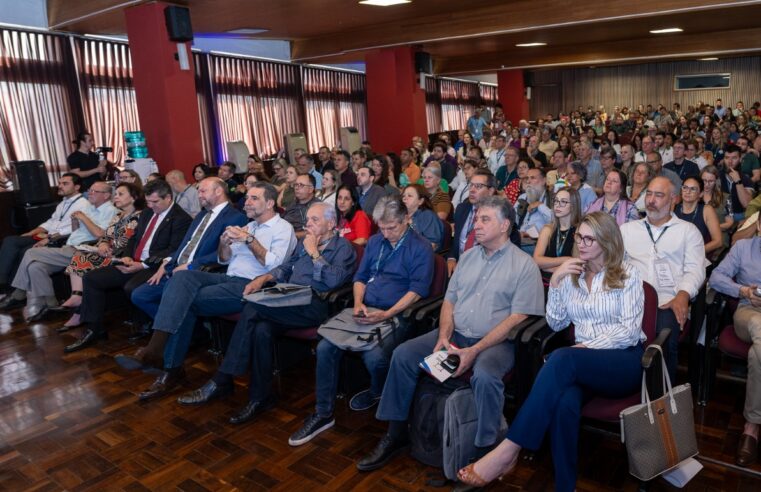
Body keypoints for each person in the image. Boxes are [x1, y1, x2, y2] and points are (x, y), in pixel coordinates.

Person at [458, 212, 645, 491]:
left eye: (589, 238)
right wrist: (556, 283)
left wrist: (586, 346)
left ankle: (508, 450)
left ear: (607, 242)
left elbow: (629, 331)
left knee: (562, 357)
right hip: (581, 363)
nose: (581, 243)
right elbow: (557, 322)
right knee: (564, 403)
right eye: (579, 236)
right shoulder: (573, 274)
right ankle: (564, 485)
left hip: (623, 362)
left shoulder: (628, 273)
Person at [357, 196, 545, 472]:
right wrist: (444, 336)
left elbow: (517, 318)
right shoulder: (468, 257)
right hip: (455, 334)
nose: (476, 225)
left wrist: (475, 350)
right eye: (476, 218)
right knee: (403, 355)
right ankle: (395, 433)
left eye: (485, 219)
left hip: (495, 343)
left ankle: (485, 451)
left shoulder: (524, 265)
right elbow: (449, 301)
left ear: (505, 225)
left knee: (485, 375)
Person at [176, 203, 356, 423]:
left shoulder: (343, 247)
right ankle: (260, 397)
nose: (308, 224)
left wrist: (314, 253)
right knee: (261, 329)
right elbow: (285, 268)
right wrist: (262, 279)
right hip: (289, 297)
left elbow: (333, 281)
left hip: (315, 304)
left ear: (331, 223)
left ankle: (223, 378)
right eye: (307, 219)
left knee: (252, 307)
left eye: (315, 220)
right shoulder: (304, 242)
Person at [117, 182, 297, 401]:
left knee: (183, 302)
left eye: (254, 198)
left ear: (270, 203)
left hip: (254, 285)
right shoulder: (249, 226)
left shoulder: (282, 228)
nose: (246, 202)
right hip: (227, 277)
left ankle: (166, 364)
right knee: (181, 277)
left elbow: (274, 265)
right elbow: (224, 259)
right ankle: (159, 353)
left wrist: (249, 240)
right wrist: (224, 243)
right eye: (247, 197)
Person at [288, 196, 434, 445]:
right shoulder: (376, 242)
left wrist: (387, 314)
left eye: (393, 228)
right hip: (365, 309)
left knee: (374, 357)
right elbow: (361, 276)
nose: (387, 234)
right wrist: (358, 303)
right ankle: (323, 413)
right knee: (325, 347)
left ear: (406, 220)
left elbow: (417, 291)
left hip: (396, 314)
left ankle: (378, 392)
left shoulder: (420, 248)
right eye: (383, 228)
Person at [62, 180, 192, 352]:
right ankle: (94, 329)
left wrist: (142, 265)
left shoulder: (180, 218)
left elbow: (173, 250)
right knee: (92, 278)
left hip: (153, 266)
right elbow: (133, 238)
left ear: (168, 197)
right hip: (133, 261)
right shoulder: (147, 213)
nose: (151, 205)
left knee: (131, 287)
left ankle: (150, 326)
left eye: (155, 202)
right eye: (148, 201)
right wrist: (128, 257)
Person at [129, 177, 248, 330]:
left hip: (197, 272)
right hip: (176, 268)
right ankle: (186, 330)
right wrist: (168, 261)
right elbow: (185, 244)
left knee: (166, 295)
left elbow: (224, 254)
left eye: (203, 191)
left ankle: (173, 334)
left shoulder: (235, 217)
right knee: (140, 295)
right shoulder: (201, 215)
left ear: (218, 191)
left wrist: (191, 266)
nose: (199, 195)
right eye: (198, 191)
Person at [621, 176, 705, 380]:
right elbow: (614, 265)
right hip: (628, 298)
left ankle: (661, 399)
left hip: (668, 300)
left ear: (673, 199)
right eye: (649, 193)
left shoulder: (688, 231)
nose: (651, 199)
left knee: (663, 339)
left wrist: (683, 295)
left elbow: (695, 270)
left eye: (659, 195)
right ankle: (624, 386)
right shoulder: (627, 230)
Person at [1, 181, 117, 321]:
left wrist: (83, 218)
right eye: (90, 190)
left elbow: (100, 234)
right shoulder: (90, 208)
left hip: (84, 250)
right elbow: (76, 231)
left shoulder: (111, 211)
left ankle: (19, 293)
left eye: (94, 191)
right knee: (35, 267)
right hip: (70, 246)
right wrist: (75, 221)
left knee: (30, 252)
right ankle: (51, 305)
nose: (90, 193)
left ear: (106, 195)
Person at [709, 213, 761, 467]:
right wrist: (742, 291)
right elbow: (717, 277)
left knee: (757, 353)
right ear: (759, 225)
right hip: (749, 312)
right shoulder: (743, 247)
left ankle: (752, 426)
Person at [57, 182, 143, 319]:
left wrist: (108, 247)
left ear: (133, 198)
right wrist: (103, 244)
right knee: (79, 257)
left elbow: (128, 242)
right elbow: (106, 236)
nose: (116, 197)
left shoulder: (140, 217)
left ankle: (78, 310)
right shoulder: (119, 216)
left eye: (121, 194)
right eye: (116, 194)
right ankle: (77, 298)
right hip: (109, 252)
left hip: (124, 256)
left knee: (83, 261)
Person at [0, 173, 90, 299]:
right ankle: (2, 283)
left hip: (58, 240)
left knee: (25, 251)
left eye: (65, 184)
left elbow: (75, 229)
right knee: (10, 241)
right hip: (46, 235)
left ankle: (13, 290)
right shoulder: (62, 203)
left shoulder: (83, 204)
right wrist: (31, 232)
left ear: (77, 187)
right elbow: (51, 222)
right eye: (59, 183)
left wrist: (49, 238)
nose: (60, 186)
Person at [533, 187, 582, 282]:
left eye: (563, 202)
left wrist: (547, 266)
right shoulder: (548, 229)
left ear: (573, 206)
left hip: (569, 283)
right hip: (545, 282)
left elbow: (578, 265)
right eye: (556, 201)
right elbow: (537, 261)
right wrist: (566, 259)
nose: (557, 206)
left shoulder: (580, 231)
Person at [674, 176, 723, 257]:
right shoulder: (673, 208)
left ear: (701, 194)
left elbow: (718, 241)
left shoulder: (707, 210)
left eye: (693, 189)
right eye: (685, 188)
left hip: (697, 257)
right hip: (674, 255)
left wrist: (694, 253)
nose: (688, 191)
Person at [402, 184, 444, 251]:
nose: (404, 198)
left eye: (409, 196)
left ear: (420, 201)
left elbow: (432, 244)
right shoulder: (399, 215)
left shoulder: (427, 216)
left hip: (419, 256)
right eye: (403, 196)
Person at [701, 165, 733, 247]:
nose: (707, 184)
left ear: (716, 181)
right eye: (704, 180)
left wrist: (710, 228)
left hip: (719, 240)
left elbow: (729, 223)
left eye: (711, 181)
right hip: (697, 239)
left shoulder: (725, 198)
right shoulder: (694, 197)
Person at [720, 144, 753, 222]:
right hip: (721, 215)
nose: (730, 162)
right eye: (727, 158)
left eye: (734, 158)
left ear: (740, 159)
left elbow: (746, 204)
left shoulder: (746, 179)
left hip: (739, 215)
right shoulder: (717, 176)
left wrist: (738, 181)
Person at [282, 173, 320, 238]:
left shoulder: (318, 207)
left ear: (311, 189)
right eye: (296, 184)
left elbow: (315, 231)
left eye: (301, 185)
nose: (296, 188)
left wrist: (290, 236)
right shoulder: (293, 203)